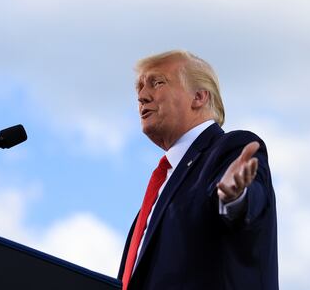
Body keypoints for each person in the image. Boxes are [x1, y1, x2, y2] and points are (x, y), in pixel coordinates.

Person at [118, 50, 278, 290]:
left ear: (199, 97)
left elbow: (252, 204)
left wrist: (234, 198)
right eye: (139, 88)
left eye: (157, 82)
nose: (141, 96)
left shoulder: (231, 148)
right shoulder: (157, 196)